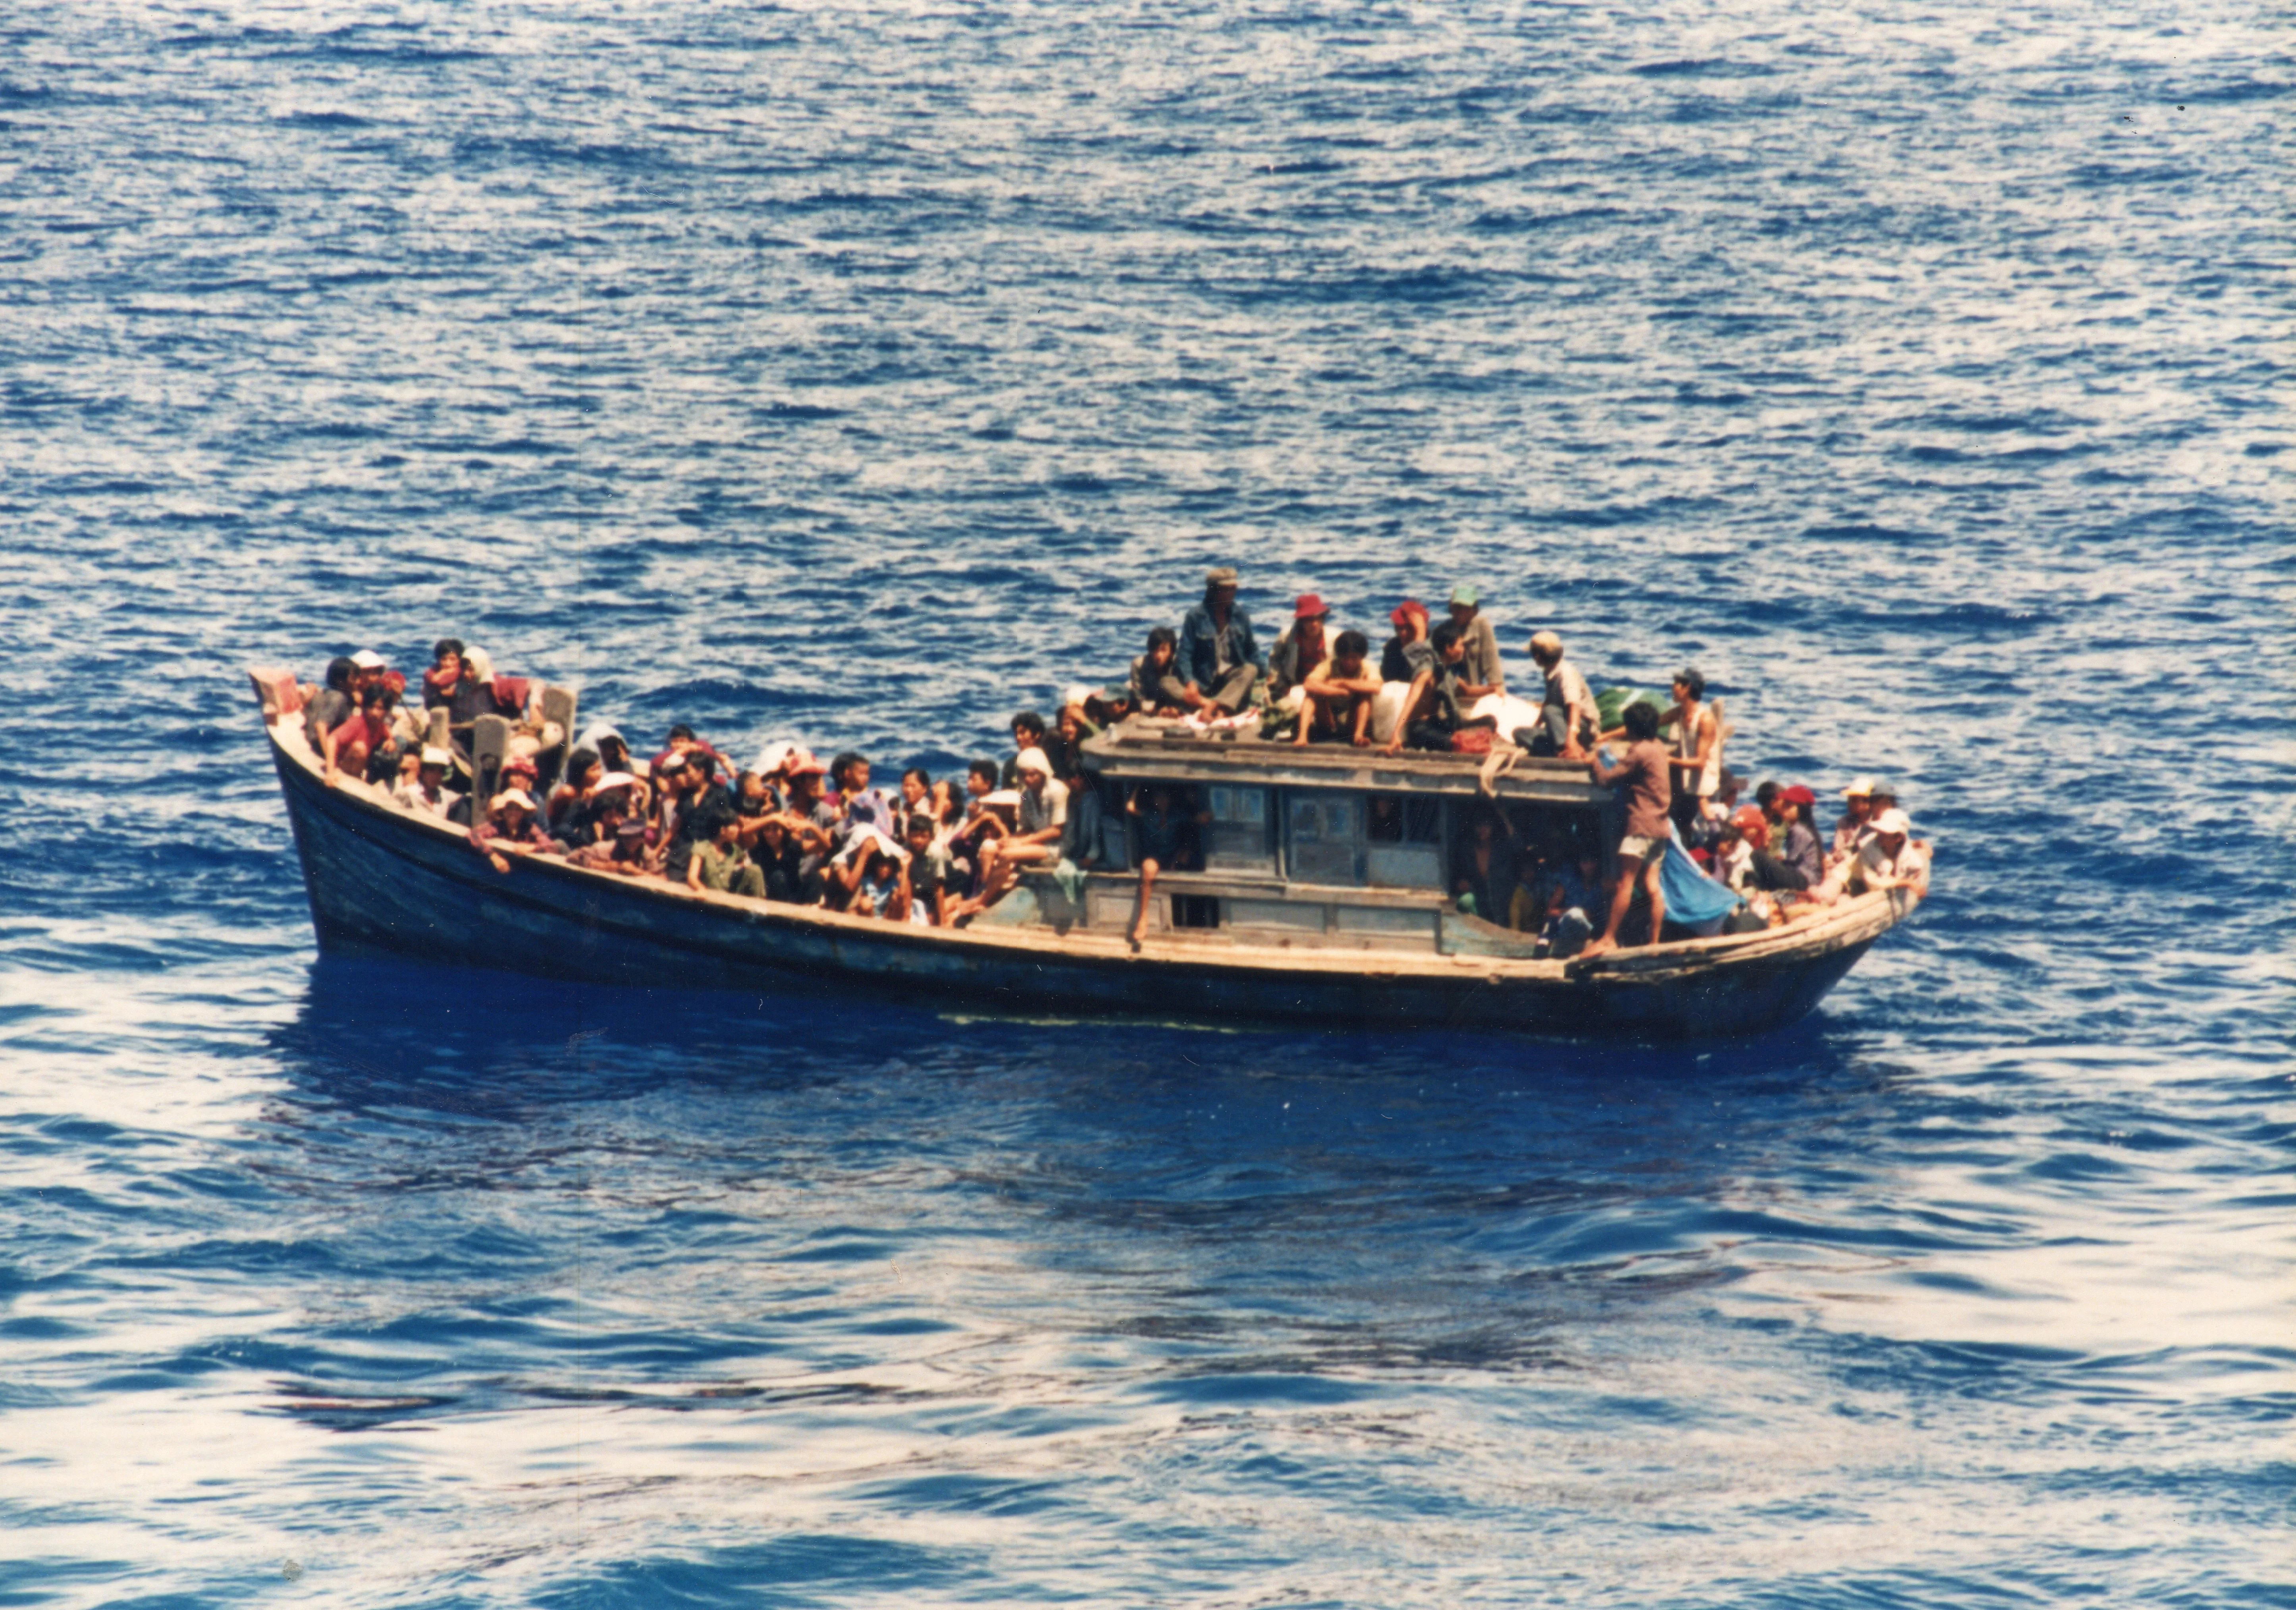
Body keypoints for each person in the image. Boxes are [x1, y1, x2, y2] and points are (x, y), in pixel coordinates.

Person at [1582, 702, 1673, 956]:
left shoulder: (1639, 752)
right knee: (1653, 887)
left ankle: (1609, 938)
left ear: (1633, 728)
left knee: (1625, 882)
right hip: (1660, 828)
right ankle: (1654, 944)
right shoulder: (1657, 748)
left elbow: (1606, 780)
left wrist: (1596, 761)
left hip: (1641, 828)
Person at [977, 747, 1066, 901]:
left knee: (1006, 854)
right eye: (1024, 775)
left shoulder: (1057, 791)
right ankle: (987, 891)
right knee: (988, 848)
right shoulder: (1026, 796)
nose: (1028, 779)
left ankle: (984, 901)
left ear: (1043, 772)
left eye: (1033, 775)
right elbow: (1027, 827)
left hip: (1057, 847)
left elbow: (1056, 831)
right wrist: (1010, 839)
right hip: (1036, 843)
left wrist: (1021, 841)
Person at [1125, 784, 1208, 947]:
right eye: (1159, 797)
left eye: (1166, 797)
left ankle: (1193, 921)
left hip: (1172, 856)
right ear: (1154, 800)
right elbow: (1130, 808)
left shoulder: (1176, 815)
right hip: (1154, 857)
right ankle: (1143, 918)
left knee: (1191, 861)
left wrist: (1200, 805)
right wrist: (1136, 786)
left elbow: (1200, 819)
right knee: (1149, 869)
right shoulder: (1149, 814)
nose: (1163, 801)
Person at [1176, 566, 1263, 714]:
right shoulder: (1195, 617)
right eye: (1226, 589)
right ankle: (1211, 705)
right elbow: (1184, 655)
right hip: (1202, 681)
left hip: (1230, 681)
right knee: (1167, 682)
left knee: (1250, 670)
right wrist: (1190, 682)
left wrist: (1269, 675)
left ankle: (1216, 707)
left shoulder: (1241, 617)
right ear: (1213, 591)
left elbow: (1252, 651)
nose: (1231, 593)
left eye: (1233, 588)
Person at [1386, 619, 1481, 755]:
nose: (1463, 650)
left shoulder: (1444, 670)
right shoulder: (1427, 671)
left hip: (1435, 723)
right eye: (1461, 646)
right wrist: (1396, 734)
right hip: (1420, 730)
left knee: (1489, 722)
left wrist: (1495, 690)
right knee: (1461, 745)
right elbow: (1412, 698)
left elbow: (1466, 690)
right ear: (1449, 648)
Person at [1814, 807, 1929, 905]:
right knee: (1825, 898)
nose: (1879, 836)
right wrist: (1906, 883)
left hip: (1859, 890)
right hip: (1844, 878)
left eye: (1885, 834)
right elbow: (1873, 882)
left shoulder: (1911, 858)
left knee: (1842, 904)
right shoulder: (1868, 848)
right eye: (1880, 831)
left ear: (1898, 838)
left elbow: (1916, 868)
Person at [1660, 667, 1722, 836]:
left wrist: (1670, 761)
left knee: (1707, 831)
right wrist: (1605, 735)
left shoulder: (1705, 719)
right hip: (1689, 784)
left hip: (1705, 787)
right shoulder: (1680, 713)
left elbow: (1700, 763)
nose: (1673, 688)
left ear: (1687, 688)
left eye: (1676, 684)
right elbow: (1650, 724)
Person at [1518, 632, 1598, 758]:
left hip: (1581, 728)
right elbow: (1549, 701)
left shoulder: (1566, 673)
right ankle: (1558, 752)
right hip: (1563, 725)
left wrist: (1571, 738)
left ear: (1538, 657)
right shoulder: (1550, 672)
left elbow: (1575, 707)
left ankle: (1568, 748)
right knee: (1519, 734)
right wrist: (1537, 726)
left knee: (1549, 710)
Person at [1297, 629, 1380, 747]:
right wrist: (1338, 691)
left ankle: (1358, 736)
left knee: (1365, 696)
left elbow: (1376, 687)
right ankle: (1302, 737)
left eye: (1354, 658)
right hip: (1329, 720)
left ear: (1362, 656)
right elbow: (1309, 684)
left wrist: (1342, 683)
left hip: (1353, 720)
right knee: (1311, 694)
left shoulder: (1368, 667)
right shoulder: (1329, 665)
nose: (1349, 662)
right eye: (1345, 658)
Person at [1452, 808, 1521, 922]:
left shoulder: (1501, 848)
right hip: (1478, 904)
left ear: (1493, 827)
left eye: (1487, 825)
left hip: (1501, 904)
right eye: (1478, 825)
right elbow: (1457, 876)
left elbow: (1518, 847)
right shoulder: (1467, 850)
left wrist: (1503, 816)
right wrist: (1461, 884)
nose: (1482, 830)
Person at [468, 788, 560, 874]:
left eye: (518, 809)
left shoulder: (530, 828)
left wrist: (533, 847)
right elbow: (473, 834)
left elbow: (552, 847)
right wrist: (493, 856)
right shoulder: (496, 826)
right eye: (510, 808)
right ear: (503, 811)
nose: (513, 812)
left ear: (523, 812)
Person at [323, 685, 399, 786]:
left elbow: (388, 734)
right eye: (371, 707)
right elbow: (332, 740)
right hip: (341, 766)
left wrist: (391, 741)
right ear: (364, 707)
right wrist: (330, 772)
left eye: (380, 709)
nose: (375, 713)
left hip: (359, 769)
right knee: (360, 748)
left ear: (386, 712)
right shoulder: (357, 723)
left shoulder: (381, 726)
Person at [831, 828, 911, 920]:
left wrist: (905, 867)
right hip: (868, 915)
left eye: (888, 867)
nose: (885, 870)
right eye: (882, 866)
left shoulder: (893, 882)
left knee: (897, 900)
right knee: (865, 904)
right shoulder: (867, 881)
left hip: (885, 917)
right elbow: (853, 890)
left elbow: (902, 895)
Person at [687, 809, 767, 899]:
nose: (738, 830)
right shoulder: (702, 848)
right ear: (723, 830)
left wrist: (741, 866)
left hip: (729, 897)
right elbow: (692, 877)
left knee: (755, 870)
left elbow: (747, 860)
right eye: (734, 826)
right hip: (709, 896)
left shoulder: (734, 850)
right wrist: (701, 889)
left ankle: (759, 908)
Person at [1446, 585, 1504, 699]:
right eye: (1457, 607)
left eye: (1466, 608)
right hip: (1451, 690)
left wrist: (1496, 689)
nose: (1460, 612)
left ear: (1475, 610)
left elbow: (1493, 666)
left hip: (1475, 693)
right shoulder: (1445, 630)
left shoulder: (1482, 626)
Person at [1268, 595, 1331, 698]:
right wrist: (1280, 684)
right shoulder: (1287, 636)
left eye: (1318, 618)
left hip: (1324, 688)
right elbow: (1274, 659)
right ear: (1301, 621)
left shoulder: (1334, 638)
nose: (1314, 624)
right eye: (1309, 620)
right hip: (1295, 687)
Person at [902, 812, 959, 925]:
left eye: (924, 837)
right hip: (922, 889)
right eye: (915, 836)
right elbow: (907, 880)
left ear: (931, 838)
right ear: (908, 836)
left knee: (934, 920)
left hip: (947, 885)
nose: (919, 841)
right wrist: (906, 914)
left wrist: (942, 921)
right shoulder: (906, 849)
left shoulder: (936, 853)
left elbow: (939, 887)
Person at [831, 752, 895, 842]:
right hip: (854, 831)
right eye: (861, 774)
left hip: (874, 830)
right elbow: (845, 815)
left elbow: (880, 811)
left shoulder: (873, 794)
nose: (865, 778)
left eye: (867, 774)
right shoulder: (845, 795)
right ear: (849, 774)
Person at [1000, 713, 1072, 789]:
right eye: (1017, 734)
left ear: (1037, 734)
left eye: (1023, 733)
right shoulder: (1011, 765)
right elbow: (1007, 793)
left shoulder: (1052, 759)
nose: (1018, 738)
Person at [1129, 627, 1188, 717]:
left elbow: (1184, 693)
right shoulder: (1139, 665)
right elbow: (1140, 698)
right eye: (1155, 650)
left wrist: (1177, 709)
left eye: (1163, 650)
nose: (1158, 655)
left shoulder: (1179, 665)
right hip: (1150, 702)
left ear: (1172, 652)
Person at [391, 745, 462, 820]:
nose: (436, 776)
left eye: (440, 772)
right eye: (431, 770)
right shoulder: (409, 793)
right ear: (423, 772)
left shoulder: (445, 796)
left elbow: (464, 799)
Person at [303, 657, 358, 752]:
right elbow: (321, 726)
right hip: (320, 744)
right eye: (354, 678)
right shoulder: (339, 699)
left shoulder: (326, 693)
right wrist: (329, 756)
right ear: (340, 681)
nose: (358, 682)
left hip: (314, 739)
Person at [1831, 776, 1876, 864]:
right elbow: (1837, 850)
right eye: (1850, 799)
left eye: (1854, 800)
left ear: (1867, 803)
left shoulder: (1876, 824)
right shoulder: (1844, 823)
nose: (1849, 803)